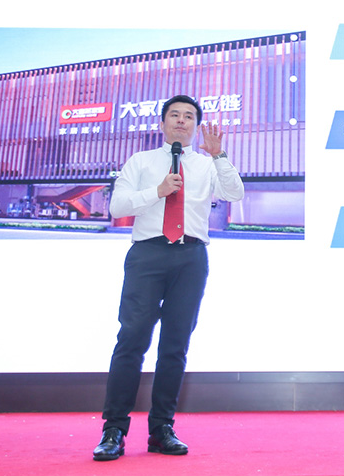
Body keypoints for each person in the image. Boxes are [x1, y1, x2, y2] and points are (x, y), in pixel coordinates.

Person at [93, 95, 244, 461]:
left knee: (175, 346)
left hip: (190, 258)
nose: (181, 121)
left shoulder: (207, 164)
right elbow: (117, 206)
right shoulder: (141, 161)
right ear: (162, 123)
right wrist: (157, 192)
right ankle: (114, 429)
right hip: (148, 255)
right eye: (174, 115)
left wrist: (219, 156)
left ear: (196, 126)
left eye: (188, 116)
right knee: (132, 340)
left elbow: (234, 193)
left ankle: (162, 429)